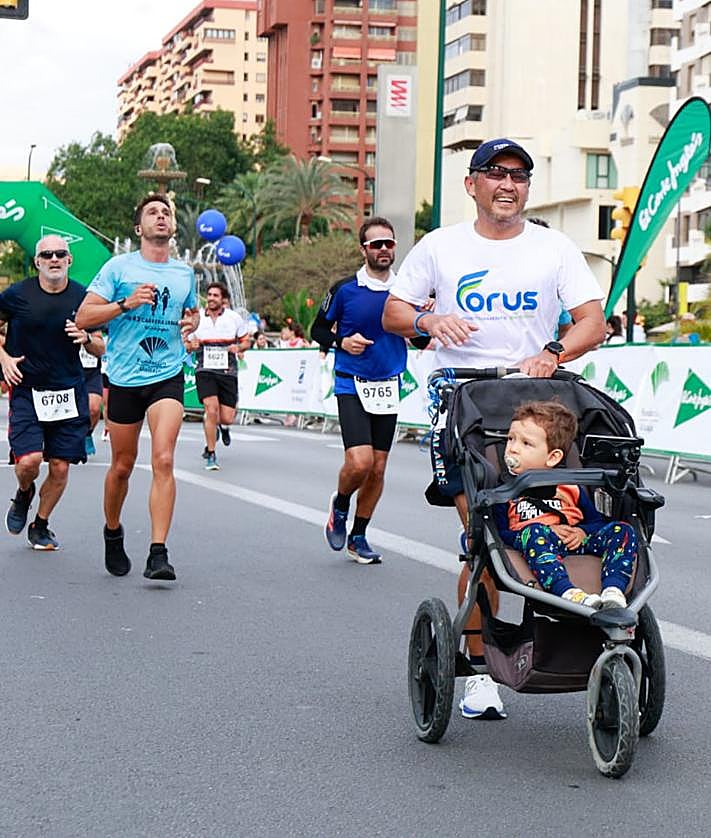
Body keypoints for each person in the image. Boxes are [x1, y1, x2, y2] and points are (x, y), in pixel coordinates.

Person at [382, 137, 606, 718]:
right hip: (465, 403)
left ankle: (570, 635)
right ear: (472, 184)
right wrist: (429, 319)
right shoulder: (440, 246)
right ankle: (479, 668)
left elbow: (592, 321)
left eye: (519, 176)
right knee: (488, 534)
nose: (508, 185)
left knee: (560, 523)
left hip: (538, 407)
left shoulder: (554, 247)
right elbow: (394, 312)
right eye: (496, 174)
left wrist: (553, 353)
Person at [76, 194, 199, 581]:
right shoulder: (118, 267)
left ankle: (158, 553)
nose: (161, 217)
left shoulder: (185, 274)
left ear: (173, 227)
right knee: (122, 466)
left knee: (163, 459)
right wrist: (125, 305)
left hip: (167, 373)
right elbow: (83, 316)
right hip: (126, 378)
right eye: (152, 213)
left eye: (166, 213)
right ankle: (113, 531)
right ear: (138, 228)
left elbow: (190, 313)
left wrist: (191, 325)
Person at [312, 216, 429, 564]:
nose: (383, 249)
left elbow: (420, 338)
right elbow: (317, 329)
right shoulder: (344, 289)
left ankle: (358, 536)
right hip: (351, 381)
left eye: (389, 243)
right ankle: (341, 503)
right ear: (363, 249)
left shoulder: (406, 293)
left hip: (387, 385)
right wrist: (342, 341)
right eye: (376, 244)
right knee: (359, 462)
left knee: (378, 469)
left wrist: (428, 321)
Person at [0, 235, 104, 550]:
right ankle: (24, 492)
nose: (54, 259)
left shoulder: (85, 298)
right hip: (28, 389)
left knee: (60, 466)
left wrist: (86, 337)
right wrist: (3, 357)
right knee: (29, 462)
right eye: (47, 255)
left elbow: (100, 347)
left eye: (61, 254)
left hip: (68, 390)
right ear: (38, 262)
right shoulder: (18, 294)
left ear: (69, 260)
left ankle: (41, 524)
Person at [494, 400, 634, 609]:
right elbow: (501, 532)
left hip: (575, 540)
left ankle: (613, 591)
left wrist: (581, 532)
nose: (512, 449)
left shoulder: (570, 487)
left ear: (553, 457)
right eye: (510, 439)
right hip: (536, 544)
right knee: (533, 533)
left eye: (526, 444)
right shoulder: (505, 489)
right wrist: (541, 531)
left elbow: (595, 521)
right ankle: (568, 591)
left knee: (622, 530)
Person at [184, 281, 251, 470]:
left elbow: (246, 341)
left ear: (224, 300)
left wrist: (238, 347)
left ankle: (223, 427)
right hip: (204, 369)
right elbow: (186, 344)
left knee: (227, 417)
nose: (211, 298)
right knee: (210, 409)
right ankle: (211, 453)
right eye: (210, 295)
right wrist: (191, 346)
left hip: (227, 370)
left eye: (216, 295)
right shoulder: (198, 320)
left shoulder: (234, 318)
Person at [77, 324, 107, 455]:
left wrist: (88, 338)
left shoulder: (91, 313)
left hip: (92, 370)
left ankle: (87, 434)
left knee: (94, 408)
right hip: (70, 369)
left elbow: (100, 341)